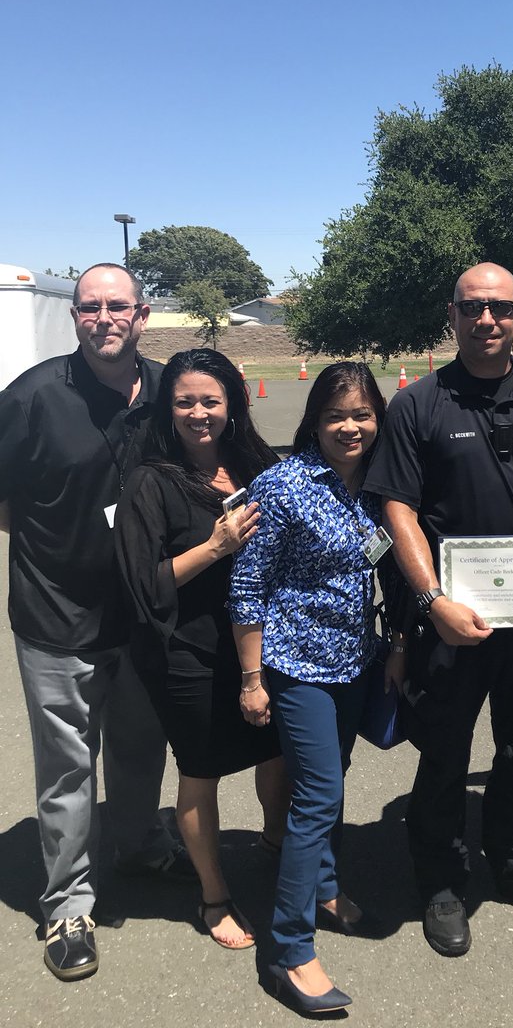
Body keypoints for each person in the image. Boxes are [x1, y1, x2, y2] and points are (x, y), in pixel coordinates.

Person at [364, 263, 513, 957]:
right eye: (473, 308)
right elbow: (397, 508)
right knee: (442, 754)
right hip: (450, 619)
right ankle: (440, 879)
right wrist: (432, 598)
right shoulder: (418, 404)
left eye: (499, 308)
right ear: (454, 315)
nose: (487, 319)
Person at [0, 263, 187, 983]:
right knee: (68, 767)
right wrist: (59, 553)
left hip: (146, 614)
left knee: (140, 748)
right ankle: (69, 903)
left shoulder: (171, 391)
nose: (104, 318)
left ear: (142, 316)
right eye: (90, 307)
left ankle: (139, 843)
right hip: (57, 616)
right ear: (76, 317)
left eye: (118, 306)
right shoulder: (34, 398)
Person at [230, 362, 400, 1015]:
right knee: (317, 797)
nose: (350, 427)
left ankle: (325, 889)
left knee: (333, 783)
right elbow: (247, 586)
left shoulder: (379, 486)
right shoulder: (282, 486)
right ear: (315, 421)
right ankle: (290, 953)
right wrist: (252, 677)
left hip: (357, 660)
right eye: (337, 416)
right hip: (296, 666)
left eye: (361, 414)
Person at [115, 349, 287, 949]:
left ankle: (275, 843)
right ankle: (214, 896)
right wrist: (215, 547)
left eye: (210, 400)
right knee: (201, 771)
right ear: (168, 408)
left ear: (233, 404)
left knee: (275, 750)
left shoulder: (254, 463)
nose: (198, 413)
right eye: (184, 401)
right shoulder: (150, 480)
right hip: (187, 654)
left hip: (263, 646)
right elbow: (144, 584)